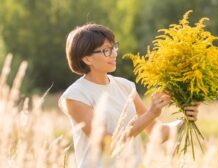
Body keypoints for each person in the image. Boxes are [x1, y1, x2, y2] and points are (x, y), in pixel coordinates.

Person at [58, 23, 200, 168]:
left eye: (113, 47)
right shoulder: (75, 95)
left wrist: (186, 119)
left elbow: (159, 134)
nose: (114, 54)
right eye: (106, 50)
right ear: (87, 59)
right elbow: (109, 144)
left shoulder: (125, 86)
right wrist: (151, 113)